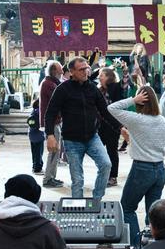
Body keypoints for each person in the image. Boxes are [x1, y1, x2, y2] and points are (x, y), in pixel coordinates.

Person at [44, 55, 118, 202]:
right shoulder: (62, 89)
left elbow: (105, 112)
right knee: (77, 180)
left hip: (92, 137)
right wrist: (50, 135)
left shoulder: (92, 88)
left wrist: (120, 128)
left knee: (106, 164)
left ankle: (96, 201)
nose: (86, 72)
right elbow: (50, 113)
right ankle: (77, 209)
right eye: (81, 69)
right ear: (71, 72)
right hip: (72, 141)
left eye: (87, 69)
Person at [108, 86, 165, 245]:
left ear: (140, 102)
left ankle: (136, 247)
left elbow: (111, 108)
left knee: (127, 208)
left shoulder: (136, 119)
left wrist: (132, 100)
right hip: (160, 170)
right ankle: (153, 245)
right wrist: (131, 139)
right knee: (153, 212)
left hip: (142, 169)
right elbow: (150, 144)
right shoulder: (162, 121)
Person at [35, 61, 65, 188]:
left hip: (54, 121)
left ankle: (51, 177)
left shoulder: (50, 82)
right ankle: (48, 179)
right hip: (52, 123)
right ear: (53, 72)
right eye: (60, 71)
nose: (62, 72)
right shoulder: (49, 84)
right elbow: (60, 99)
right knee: (53, 151)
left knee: (55, 151)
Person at [97, 67, 127, 186]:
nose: (99, 77)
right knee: (98, 150)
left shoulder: (115, 87)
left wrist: (124, 70)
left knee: (111, 151)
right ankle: (104, 173)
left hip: (113, 125)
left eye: (102, 75)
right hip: (100, 125)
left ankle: (113, 176)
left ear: (109, 77)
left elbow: (125, 83)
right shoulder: (98, 89)